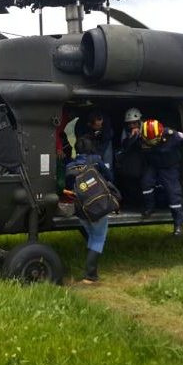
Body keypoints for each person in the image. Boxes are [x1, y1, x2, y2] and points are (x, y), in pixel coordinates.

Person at [65, 136, 114, 284]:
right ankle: (90, 276)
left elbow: (68, 186)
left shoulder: (69, 166)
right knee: (99, 239)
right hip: (97, 205)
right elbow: (109, 176)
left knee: (92, 237)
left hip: (80, 208)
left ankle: (92, 271)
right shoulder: (96, 160)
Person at [140, 119, 183, 236]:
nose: (151, 143)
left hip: (169, 166)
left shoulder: (173, 135)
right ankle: (150, 208)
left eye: (154, 140)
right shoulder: (142, 136)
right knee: (146, 183)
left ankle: (178, 225)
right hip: (154, 165)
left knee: (173, 193)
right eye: (148, 140)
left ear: (161, 134)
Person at [117, 107, 147, 207]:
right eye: (129, 123)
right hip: (132, 159)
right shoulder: (126, 131)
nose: (131, 125)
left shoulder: (147, 127)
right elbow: (124, 146)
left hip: (146, 158)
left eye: (134, 123)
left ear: (139, 121)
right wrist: (131, 138)